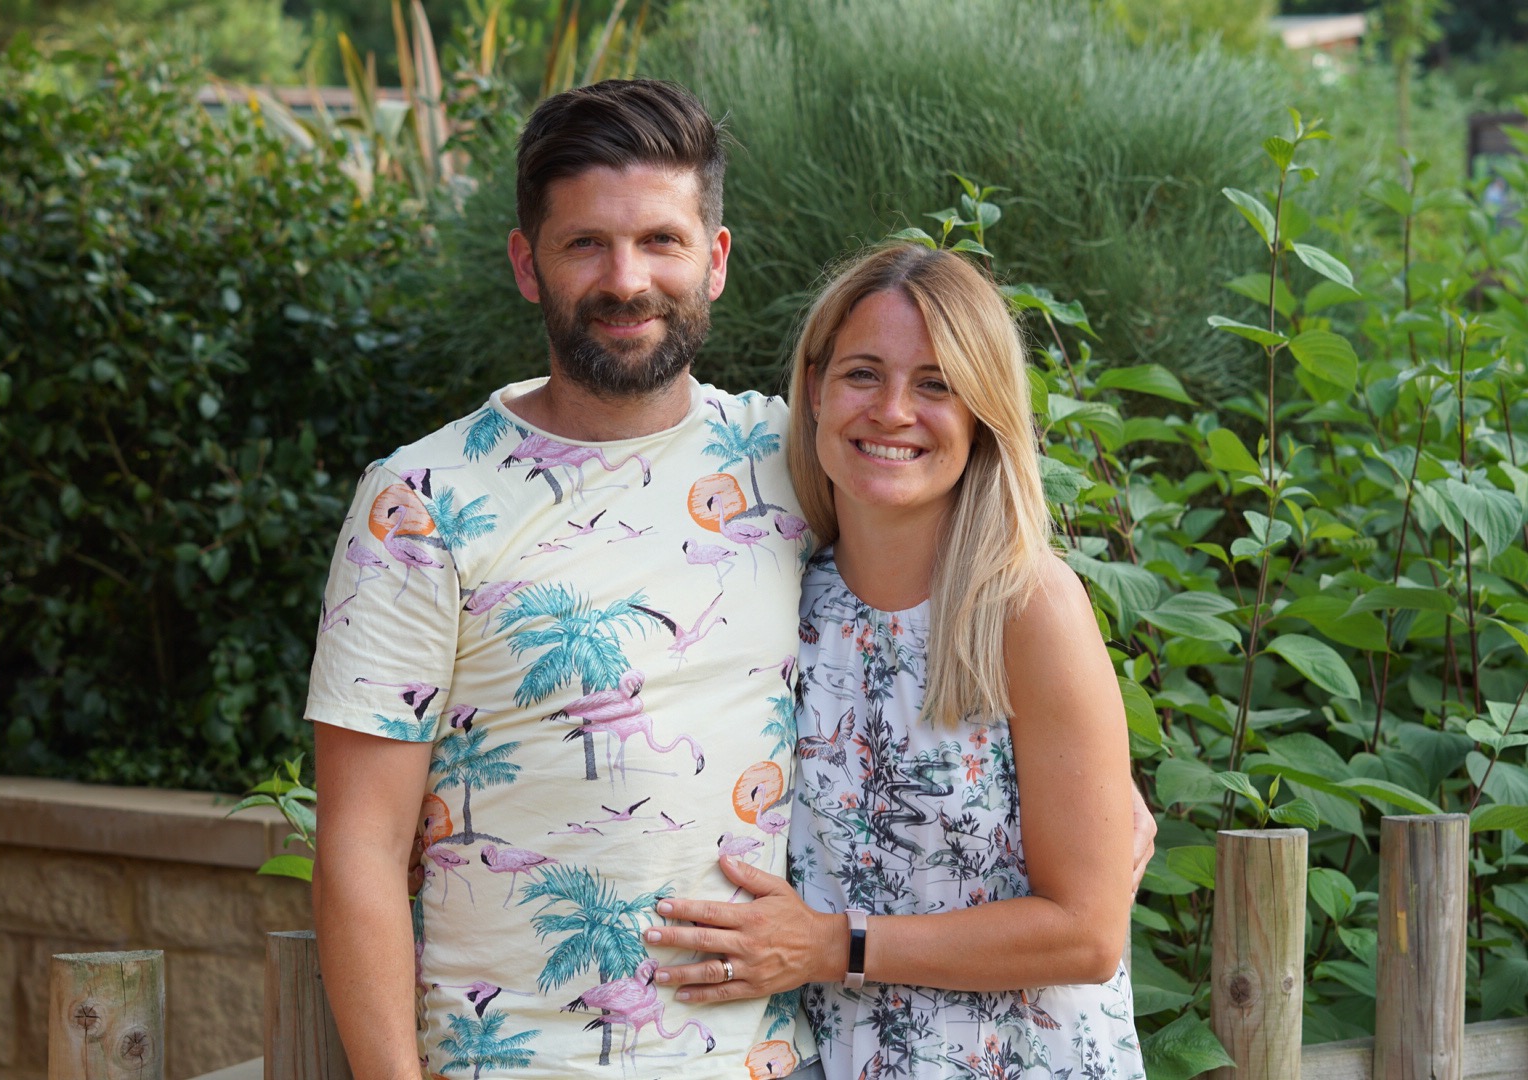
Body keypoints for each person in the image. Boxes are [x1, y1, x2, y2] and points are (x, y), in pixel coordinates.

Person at [305, 80, 1152, 1080]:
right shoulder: (421, 503)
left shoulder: (788, 458)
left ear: (713, 260)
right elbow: (359, 849)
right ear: (526, 266)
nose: (626, 279)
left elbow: (957, 550)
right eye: (585, 244)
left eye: (660, 241)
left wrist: (1090, 800)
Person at [643, 244, 1144, 1079]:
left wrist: (834, 946)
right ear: (814, 389)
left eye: (937, 385)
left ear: (984, 410)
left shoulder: (1027, 608)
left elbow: (1088, 935)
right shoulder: (781, 598)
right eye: (863, 375)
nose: (893, 411)